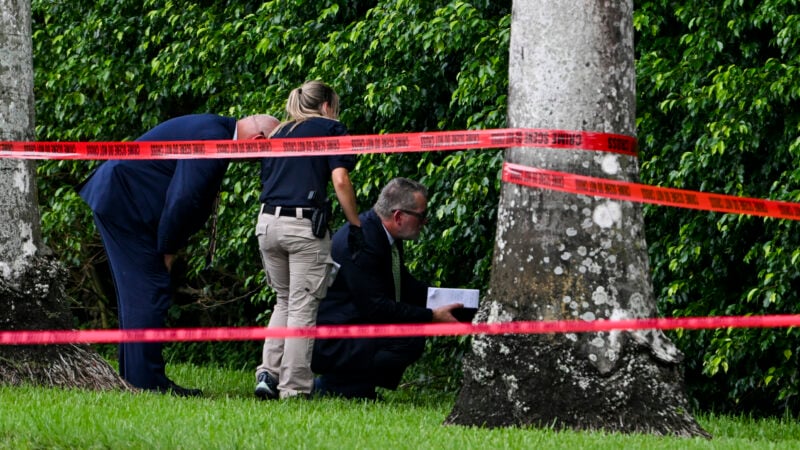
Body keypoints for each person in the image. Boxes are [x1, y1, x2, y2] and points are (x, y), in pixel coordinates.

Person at [79, 113, 280, 396]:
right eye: (263, 155)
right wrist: (168, 249)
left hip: (123, 200)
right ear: (258, 142)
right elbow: (184, 198)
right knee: (149, 288)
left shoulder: (216, 127)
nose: (256, 163)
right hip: (126, 204)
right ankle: (147, 384)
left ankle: (135, 378)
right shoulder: (214, 139)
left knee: (138, 292)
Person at [254, 80, 361, 400]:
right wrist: (355, 225)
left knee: (284, 301)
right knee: (302, 307)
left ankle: (268, 375)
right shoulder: (331, 128)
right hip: (302, 226)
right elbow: (340, 179)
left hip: (266, 223)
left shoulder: (278, 132)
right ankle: (295, 389)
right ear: (327, 105)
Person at [311, 177, 463, 400]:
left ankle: (354, 386)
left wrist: (451, 299)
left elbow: (403, 283)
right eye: (421, 216)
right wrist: (431, 317)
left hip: (354, 327)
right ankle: (340, 386)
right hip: (334, 340)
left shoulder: (383, 233)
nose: (425, 222)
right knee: (408, 339)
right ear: (399, 216)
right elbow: (376, 307)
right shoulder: (363, 242)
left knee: (409, 333)